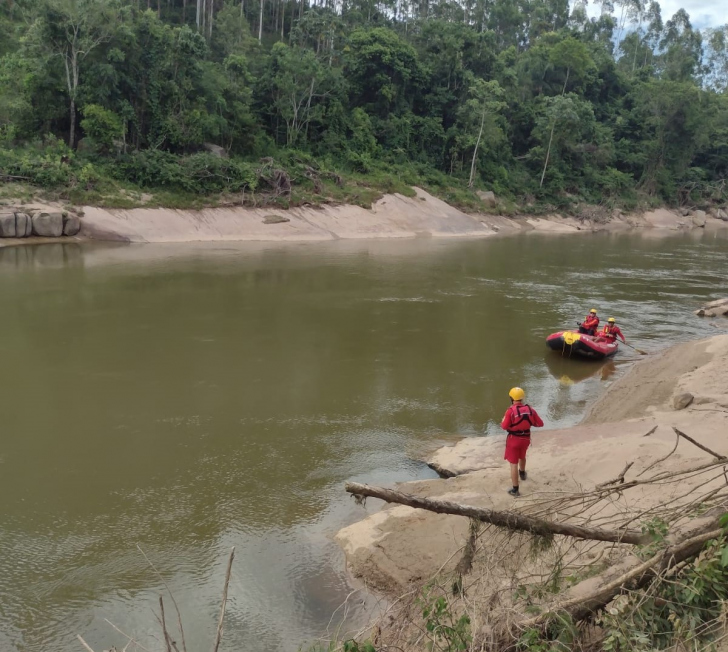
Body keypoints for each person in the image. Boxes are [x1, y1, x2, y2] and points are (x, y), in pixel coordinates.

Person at [500, 387, 544, 497]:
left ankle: (515, 490)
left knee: (513, 464)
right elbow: (540, 424)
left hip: (513, 440)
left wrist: (503, 420)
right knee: (522, 456)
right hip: (526, 439)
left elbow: (504, 426)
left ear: (511, 398)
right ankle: (523, 474)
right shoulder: (530, 410)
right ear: (522, 398)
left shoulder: (510, 411)